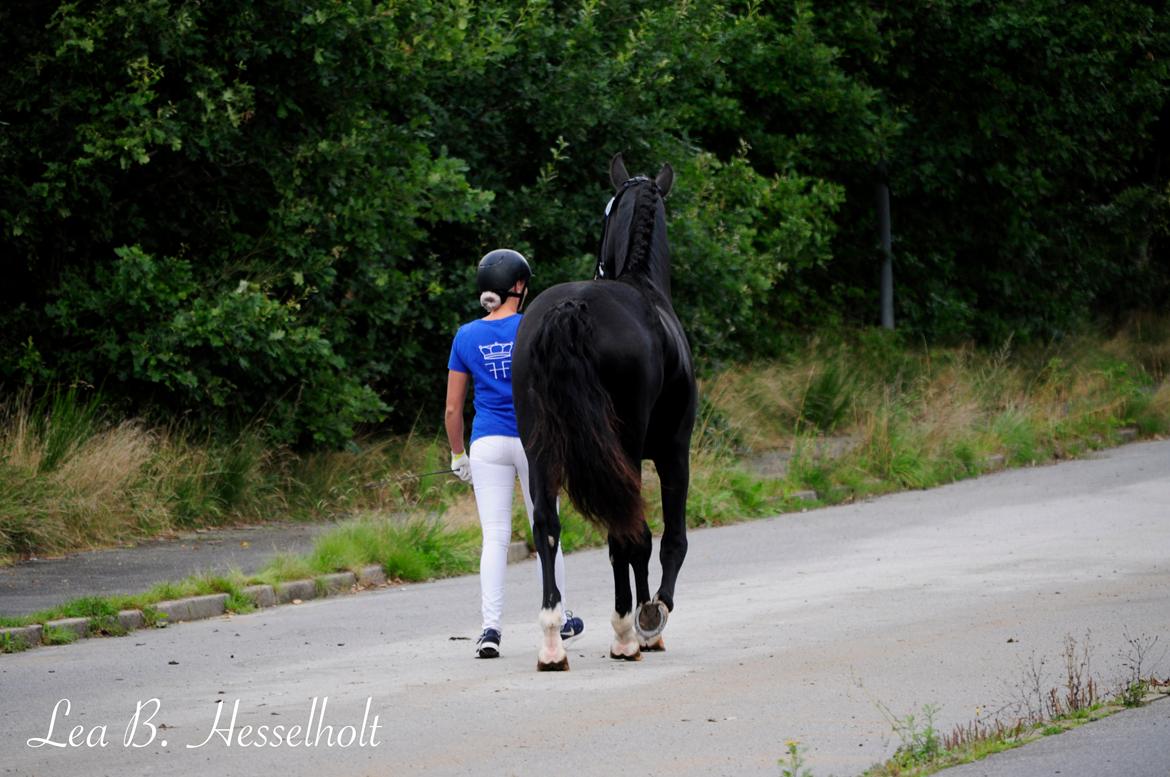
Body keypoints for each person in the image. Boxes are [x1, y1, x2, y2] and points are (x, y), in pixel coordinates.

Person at [445, 248, 585, 658]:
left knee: (495, 537)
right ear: (519, 286)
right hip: (533, 440)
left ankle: (490, 629)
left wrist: (458, 455)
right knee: (548, 528)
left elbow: (454, 408)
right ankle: (560, 614)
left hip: (486, 443)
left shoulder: (466, 335)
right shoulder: (533, 327)